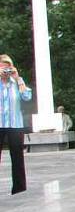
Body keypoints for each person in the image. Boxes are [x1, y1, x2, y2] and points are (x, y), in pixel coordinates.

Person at [0, 54, 33, 194]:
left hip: (15, 124)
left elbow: (27, 97)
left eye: (7, 67)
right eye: (2, 67)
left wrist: (18, 78)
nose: (5, 70)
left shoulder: (17, 82)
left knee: (17, 157)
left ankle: (19, 189)